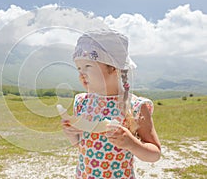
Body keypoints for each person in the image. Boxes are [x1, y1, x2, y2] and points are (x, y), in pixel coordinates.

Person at [61, 29, 161, 178]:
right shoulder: (82, 102)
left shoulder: (135, 107)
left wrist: (131, 144)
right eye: (79, 68)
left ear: (113, 67)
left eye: (88, 66)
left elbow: (155, 154)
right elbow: (81, 146)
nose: (81, 74)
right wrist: (71, 135)